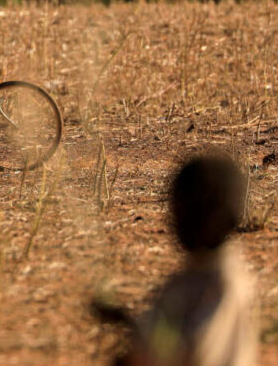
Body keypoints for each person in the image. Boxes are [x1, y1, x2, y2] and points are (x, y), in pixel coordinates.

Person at [95, 154, 258, 366]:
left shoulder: (224, 284)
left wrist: (138, 342)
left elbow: (191, 352)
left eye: (184, 216)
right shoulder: (190, 277)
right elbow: (168, 334)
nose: (176, 225)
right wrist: (127, 324)